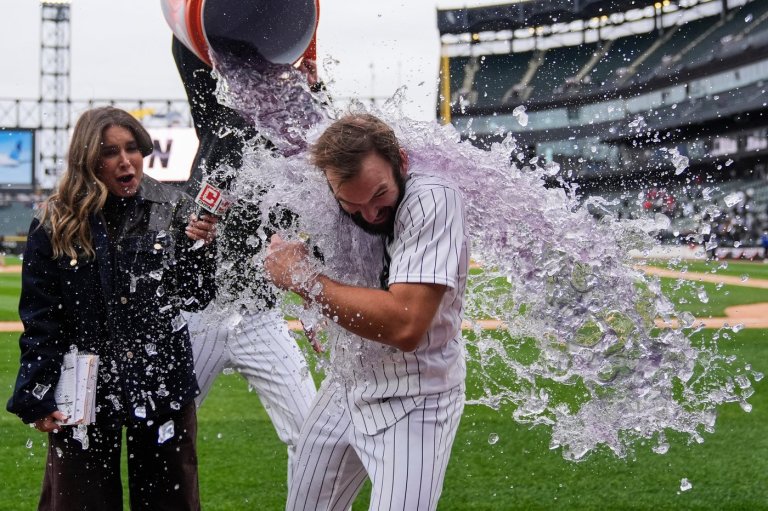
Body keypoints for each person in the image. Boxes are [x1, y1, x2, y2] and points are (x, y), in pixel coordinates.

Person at [6, 106, 218, 510]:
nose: (126, 161)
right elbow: (42, 318)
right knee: (79, 500)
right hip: (82, 384)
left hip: (162, 380)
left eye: (133, 148)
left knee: (170, 500)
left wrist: (204, 251)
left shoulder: (174, 206)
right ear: (88, 160)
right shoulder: (54, 220)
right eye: (110, 152)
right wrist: (37, 391)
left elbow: (195, 296)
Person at [264, 113, 470, 511]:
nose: (370, 214)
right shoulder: (329, 195)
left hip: (416, 396)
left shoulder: (433, 196)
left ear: (402, 162)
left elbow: (406, 324)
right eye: (351, 203)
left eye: (379, 196)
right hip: (346, 382)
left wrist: (305, 280)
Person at [171, 36, 317, 479]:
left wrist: (311, 62)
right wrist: (203, 19)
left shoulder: (303, 139)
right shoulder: (220, 118)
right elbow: (188, 52)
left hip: (258, 314)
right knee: (162, 433)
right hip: (198, 312)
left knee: (312, 436)